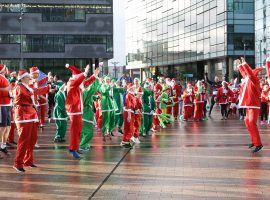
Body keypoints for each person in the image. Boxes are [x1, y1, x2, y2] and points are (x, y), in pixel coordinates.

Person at [13, 69, 50, 172]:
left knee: (32, 139)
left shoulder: (28, 87)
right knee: (23, 140)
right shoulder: (19, 87)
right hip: (22, 115)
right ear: (23, 78)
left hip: (31, 113)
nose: (30, 78)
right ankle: (18, 163)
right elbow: (27, 94)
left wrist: (48, 88)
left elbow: (36, 91)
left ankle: (28, 161)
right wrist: (34, 89)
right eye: (28, 76)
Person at [237, 58, 263, 153]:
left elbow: (249, 74)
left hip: (254, 105)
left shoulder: (254, 79)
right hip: (249, 104)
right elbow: (245, 74)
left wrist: (244, 63)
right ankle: (254, 141)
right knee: (247, 122)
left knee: (252, 123)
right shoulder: (248, 79)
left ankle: (259, 144)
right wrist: (240, 65)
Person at [65, 64, 90, 159]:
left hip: (78, 110)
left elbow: (86, 82)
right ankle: (73, 149)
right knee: (75, 131)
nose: (82, 80)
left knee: (78, 130)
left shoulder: (77, 84)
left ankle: (74, 147)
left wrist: (94, 76)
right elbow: (81, 80)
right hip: (74, 110)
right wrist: (85, 72)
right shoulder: (72, 83)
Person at [79, 67, 101, 152]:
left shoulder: (80, 91)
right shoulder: (84, 91)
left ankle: (82, 144)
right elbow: (92, 88)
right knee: (89, 132)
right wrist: (95, 76)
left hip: (82, 113)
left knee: (83, 131)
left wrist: (95, 97)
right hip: (86, 114)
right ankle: (82, 146)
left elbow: (90, 95)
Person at [0, 64, 12, 157]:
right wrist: (6, 89)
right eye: (6, 68)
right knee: (3, 126)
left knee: (8, 126)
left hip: (8, 104)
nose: (7, 69)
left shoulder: (5, 77)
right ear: (3, 69)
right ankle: (0, 145)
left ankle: (3, 145)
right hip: (2, 104)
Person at [121, 84, 137, 148]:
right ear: (130, 88)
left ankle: (125, 141)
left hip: (130, 112)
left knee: (129, 128)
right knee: (129, 128)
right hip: (129, 112)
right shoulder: (129, 95)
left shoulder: (132, 95)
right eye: (133, 87)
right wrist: (129, 115)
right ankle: (125, 141)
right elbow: (128, 106)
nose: (134, 88)